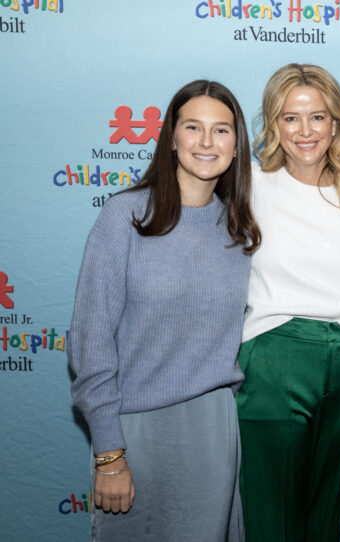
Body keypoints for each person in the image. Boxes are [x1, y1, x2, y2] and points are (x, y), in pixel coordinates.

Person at [69, 79, 260, 541]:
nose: (207, 142)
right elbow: (90, 342)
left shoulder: (240, 232)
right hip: (135, 432)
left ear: (237, 147)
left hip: (213, 434)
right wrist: (110, 454)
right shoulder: (126, 217)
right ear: (172, 139)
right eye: (193, 127)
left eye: (222, 130)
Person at [236, 63, 340, 542]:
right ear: (272, 125)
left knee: (324, 517)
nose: (305, 132)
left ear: (337, 123)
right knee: (271, 517)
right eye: (290, 118)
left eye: (318, 117)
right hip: (275, 358)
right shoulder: (251, 187)